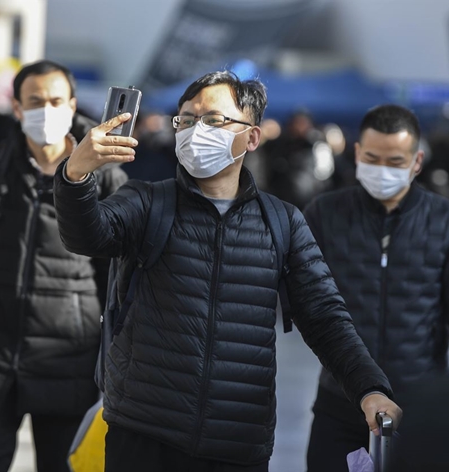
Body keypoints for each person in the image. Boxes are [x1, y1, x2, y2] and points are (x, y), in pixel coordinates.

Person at [54, 70, 402, 472]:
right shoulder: (148, 201)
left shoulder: (282, 222)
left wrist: (369, 389)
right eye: (185, 120)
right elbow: (87, 236)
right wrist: (75, 175)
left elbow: (325, 316)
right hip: (144, 434)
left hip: (237, 443)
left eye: (213, 120)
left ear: (251, 138)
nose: (195, 131)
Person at [0, 60, 128, 472]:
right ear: (17, 109)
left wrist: (117, 364)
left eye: (56, 100)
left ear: (72, 105)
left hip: (69, 361)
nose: (46, 110)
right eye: (35, 102)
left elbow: (117, 280)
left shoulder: (105, 176)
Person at [302, 104, 449, 472]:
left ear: (417, 161)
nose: (382, 169)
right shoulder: (324, 214)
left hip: (421, 406)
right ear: (356, 153)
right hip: (340, 401)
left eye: (395, 161)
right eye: (372, 158)